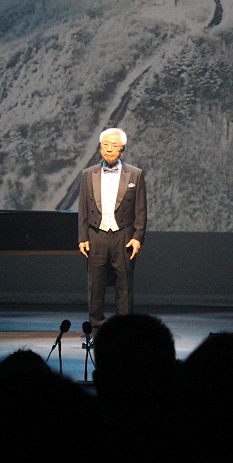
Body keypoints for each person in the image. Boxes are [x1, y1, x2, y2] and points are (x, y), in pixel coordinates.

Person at [78, 128, 147, 337]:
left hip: (123, 236)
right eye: (105, 145)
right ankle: (96, 329)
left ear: (122, 149)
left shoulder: (135, 174)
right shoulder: (88, 174)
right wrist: (83, 237)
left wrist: (137, 237)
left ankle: (123, 330)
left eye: (114, 146)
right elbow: (83, 209)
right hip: (96, 235)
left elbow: (141, 209)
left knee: (124, 285)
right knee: (96, 285)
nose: (109, 149)